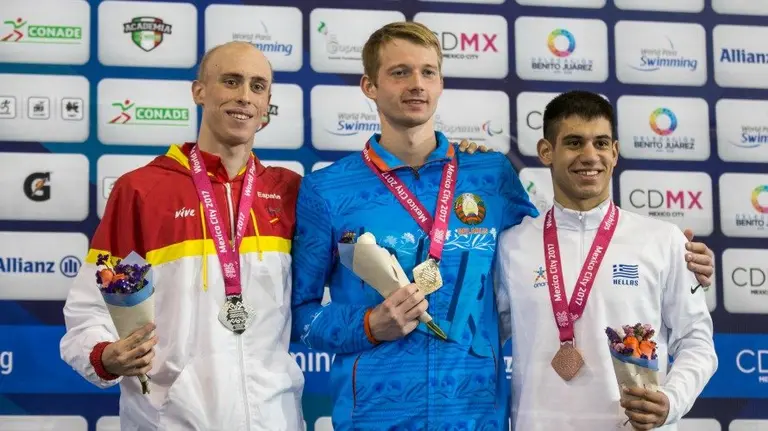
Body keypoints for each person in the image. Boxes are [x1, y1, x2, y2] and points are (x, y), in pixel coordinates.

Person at [289, 23, 715, 430]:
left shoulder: (489, 175)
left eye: (428, 72)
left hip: (478, 418)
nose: (416, 84)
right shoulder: (327, 190)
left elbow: (557, 248)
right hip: (373, 418)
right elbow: (300, 316)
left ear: (440, 84)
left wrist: (679, 262)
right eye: (399, 73)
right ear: (369, 86)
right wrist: (366, 326)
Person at [59, 41, 306, 430]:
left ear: (267, 104)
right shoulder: (143, 191)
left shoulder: (289, 192)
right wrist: (103, 354)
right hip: (169, 419)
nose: (244, 96)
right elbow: (92, 305)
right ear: (199, 91)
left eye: (258, 87)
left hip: (274, 418)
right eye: (231, 81)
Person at [494, 90, 718, 431]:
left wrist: (672, 400)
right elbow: (480, 339)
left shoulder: (663, 240)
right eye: (573, 142)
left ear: (614, 152)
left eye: (601, 143)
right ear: (546, 152)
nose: (589, 155)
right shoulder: (512, 245)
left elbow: (696, 341)